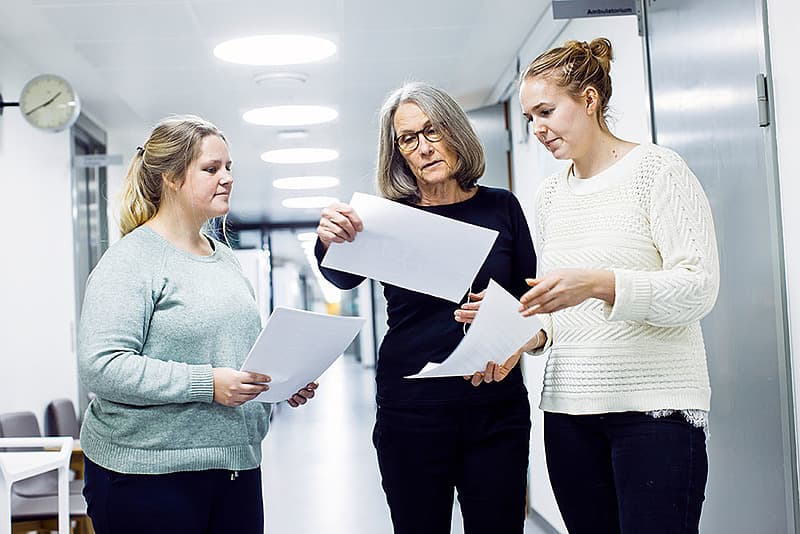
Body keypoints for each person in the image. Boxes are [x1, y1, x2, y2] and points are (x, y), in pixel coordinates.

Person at [516, 38, 720, 533]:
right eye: (529, 119)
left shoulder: (657, 171)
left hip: (655, 413)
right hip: (568, 412)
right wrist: (530, 333)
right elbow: (557, 305)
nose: (538, 129)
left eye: (546, 111)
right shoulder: (549, 196)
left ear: (589, 100)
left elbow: (698, 288)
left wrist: (601, 284)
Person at [77, 115, 317, 534]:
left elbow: (234, 354)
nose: (226, 178)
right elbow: (102, 366)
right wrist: (208, 384)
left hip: (235, 466)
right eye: (211, 169)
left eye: (228, 168)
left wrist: (280, 380)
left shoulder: (223, 258)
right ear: (171, 178)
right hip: (147, 476)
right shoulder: (131, 261)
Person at [314, 82, 536, 534]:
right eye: (408, 139)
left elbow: (530, 302)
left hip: (494, 408)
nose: (423, 148)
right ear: (397, 152)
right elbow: (341, 277)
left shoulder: (502, 207)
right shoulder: (387, 218)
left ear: (455, 132)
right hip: (411, 412)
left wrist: (508, 325)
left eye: (432, 132)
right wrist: (327, 239)